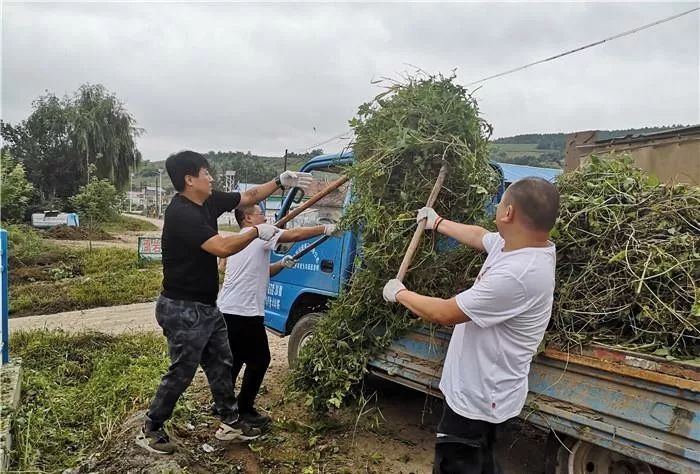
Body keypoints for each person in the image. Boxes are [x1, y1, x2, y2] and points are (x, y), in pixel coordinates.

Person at [137, 150, 313, 455]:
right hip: (181, 306)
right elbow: (221, 247)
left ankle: (230, 423)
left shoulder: (209, 201)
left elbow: (248, 195)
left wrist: (280, 181)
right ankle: (151, 428)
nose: (212, 178)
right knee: (183, 370)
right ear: (190, 179)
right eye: (206, 173)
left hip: (207, 306)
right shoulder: (182, 213)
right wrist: (257, 231)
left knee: (222, 362)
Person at [382, 177, 560, 474]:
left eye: (502, 201)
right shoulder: (520, 245)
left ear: (508, 213)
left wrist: (400, 293)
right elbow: (480, 237)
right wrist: (437, 222)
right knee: (484, 465)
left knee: (459, 464)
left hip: (480, 398)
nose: (499, 206)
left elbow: (445, 313)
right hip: (489, 392)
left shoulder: (518, 274)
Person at [216, 205, 339, 428]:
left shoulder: (241, 239)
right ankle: (244, 409)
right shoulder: (259, 233)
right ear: (249, 218)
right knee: (260, 360)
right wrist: (325, 228)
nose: (265, 216)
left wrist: (282, 264)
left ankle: (222, 404)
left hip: (230, 309)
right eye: (260, 213)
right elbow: (295, 234)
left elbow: (263, 271)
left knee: (235, 359)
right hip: (244, 311)